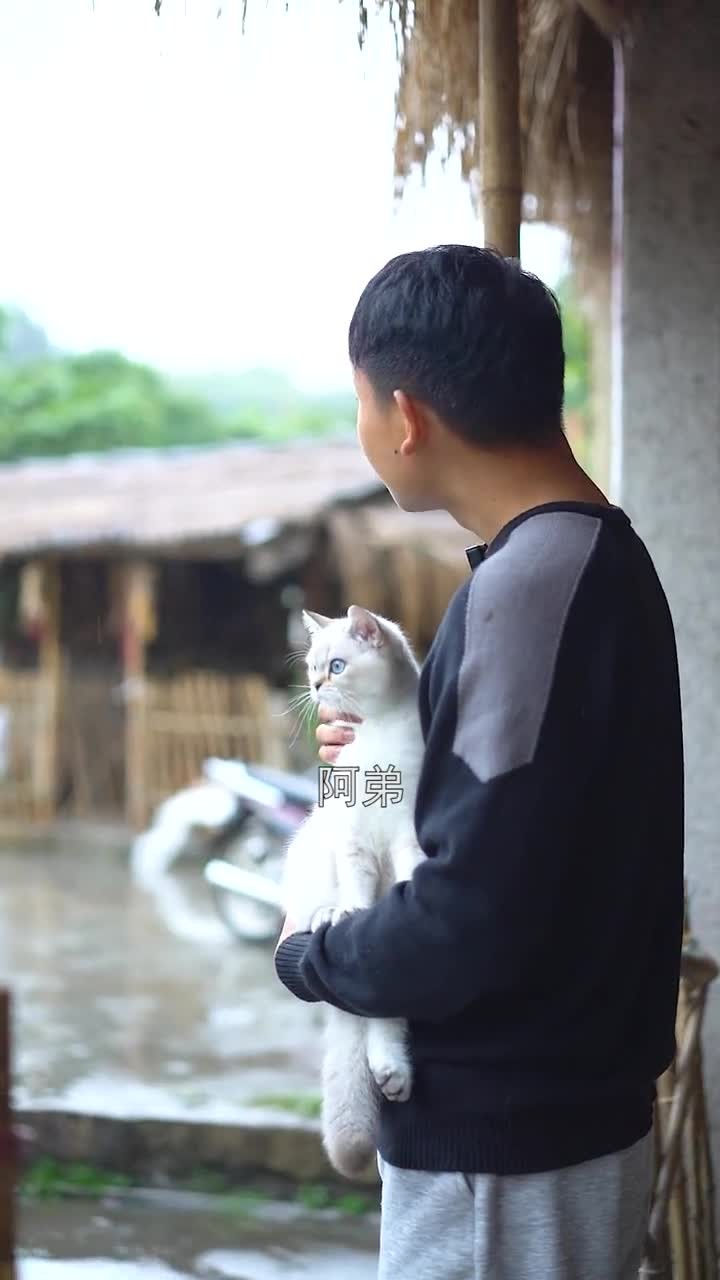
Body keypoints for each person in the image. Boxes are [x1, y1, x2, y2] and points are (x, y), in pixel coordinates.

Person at [273, 245, 684, 1279]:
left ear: (405, 417)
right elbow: (482, 826)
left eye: (360, 403)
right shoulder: (579, 560)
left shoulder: (530, 587)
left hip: (506, 1152)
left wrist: (306, 955)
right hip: (547, 1126)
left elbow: (467, 914)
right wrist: (362, 773)